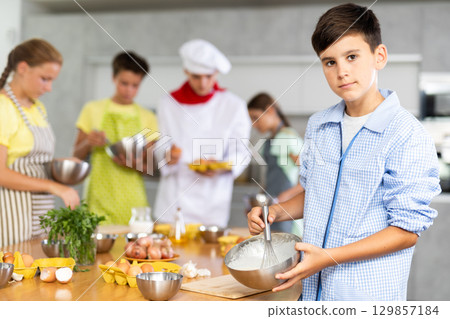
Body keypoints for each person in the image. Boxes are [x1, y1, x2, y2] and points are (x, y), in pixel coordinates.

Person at [247, 3, 441, 301]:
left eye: (352, 57)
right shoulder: (319, 125)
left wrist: (328, 256)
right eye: (329, 62)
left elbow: (406, 231)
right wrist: (274, 212)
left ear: (379, 56)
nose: (342, 72)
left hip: (365, 296)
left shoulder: (406, 133)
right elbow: (317, 193)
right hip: (311, 292)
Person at [154, 39, 251, 228]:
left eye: (209, 76)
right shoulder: (167, 103)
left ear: (216, 73)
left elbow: (242, 150)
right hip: (174, 202)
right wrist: (167, 155)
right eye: (196, 77)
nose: (203, 83)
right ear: (186, 72)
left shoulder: (233, 105)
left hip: (212, 202)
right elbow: (161, 145)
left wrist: (223, 166)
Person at [0, 39, 80, 247]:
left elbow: (31, 161)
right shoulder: (3, 107)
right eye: (45, 79)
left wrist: (61, 165)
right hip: (11, 215)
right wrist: (55, 187)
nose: (49, 88)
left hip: (39, 213)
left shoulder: (38, 109)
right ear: (23, 68)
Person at [73, 51, 159, 225]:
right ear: (113, 78)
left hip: (133, 205)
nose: (129, 90)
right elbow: (75, 156)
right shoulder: (92, 109)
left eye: (135, 85)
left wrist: (134, 164)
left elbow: (153, 169)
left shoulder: (148, 116)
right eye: (124, 83)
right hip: (97, 201)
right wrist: (88, 142)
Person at [247, 92, 304, 235]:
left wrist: (285, 196)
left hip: (287, 211)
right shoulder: (270, 141)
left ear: (270, 110)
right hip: (272, 208)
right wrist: (257, 205)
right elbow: (271, 177)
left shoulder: (288, 137)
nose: (254, 124)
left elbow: (310, 177)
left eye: (256, 118)